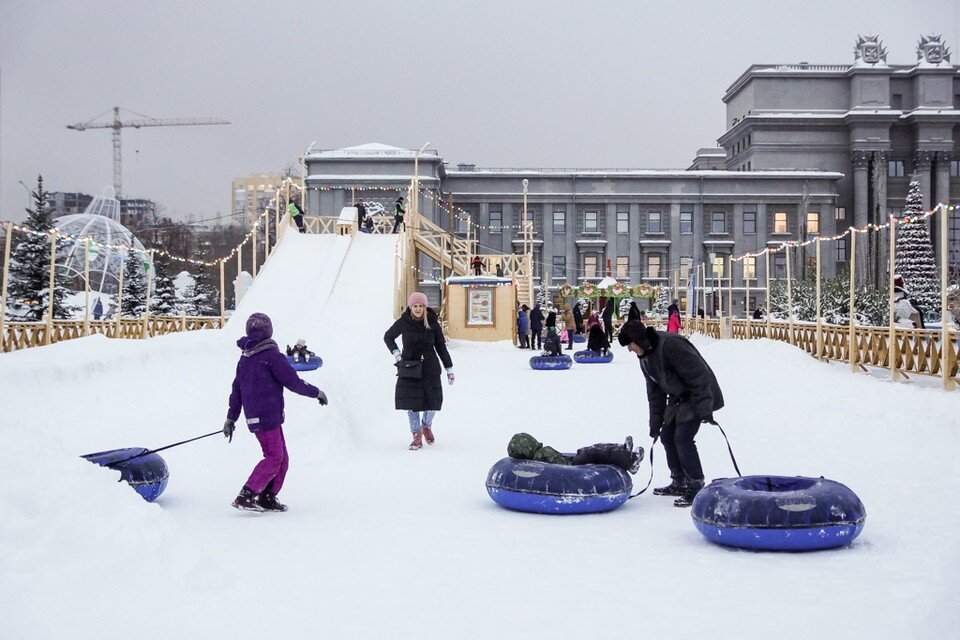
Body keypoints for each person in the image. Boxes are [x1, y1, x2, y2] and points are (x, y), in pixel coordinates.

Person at [224, 313, 328, 512]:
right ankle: (246, 494)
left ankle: (267, 496)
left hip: (259, 416)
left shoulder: (245, 358)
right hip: (267, 415)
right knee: (274, 457)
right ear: (269, 331)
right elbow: (293, 382)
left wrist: (231, 418)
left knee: (282, 458)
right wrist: (316, 392)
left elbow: (236, 390)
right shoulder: (271, 356)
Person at [618, 320, 724, 508]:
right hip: (678, 398)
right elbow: (655, 395)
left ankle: (695, 483)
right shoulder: (645, 359)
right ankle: (679, 480)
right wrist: (655, 423)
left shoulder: (671, 345)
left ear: (638, 340)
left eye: (630, 345)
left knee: (682, 437)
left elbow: (699, 376)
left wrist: (704, 408)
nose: (630, 350)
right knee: (667, 436)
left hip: (697, 394)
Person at [383, 292, 454, 451]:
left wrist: (449, 368)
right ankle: (416, 435)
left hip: (430, 367)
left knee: (433, 401)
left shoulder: (433, 323)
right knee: (412, 403)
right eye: (415, 306)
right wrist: (396, 353)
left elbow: (441, 347)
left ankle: (426, 425)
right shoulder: (404, 322)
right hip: (409, 367)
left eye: (420, 306)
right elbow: (388, 337)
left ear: (425, 307)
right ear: (410, 306)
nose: (417, 309)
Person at [508, 432, 645, 474]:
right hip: (571, 468)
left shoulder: (540, 453)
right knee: (595, 453)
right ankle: (631, 461)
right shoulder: (538, 457)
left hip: (571, 463)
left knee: (593, 449)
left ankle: (621, 448)